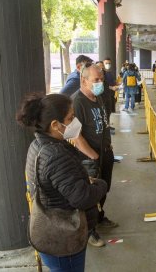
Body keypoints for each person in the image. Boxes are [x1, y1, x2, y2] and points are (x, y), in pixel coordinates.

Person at [17, 93, 107, 271]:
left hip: (48, 232)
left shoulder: (38, 145)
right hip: (63, 239)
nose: (75, 122)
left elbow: (59, 183)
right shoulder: (56, 155)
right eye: (70, 118)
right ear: (55, 125)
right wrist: (100, 185)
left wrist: (79, 179)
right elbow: (82, 198)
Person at [71, 64, 118, 248]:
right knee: (90, 196)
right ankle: (89, 231)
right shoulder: (77, 102)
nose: (100, 83)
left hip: (105, 152)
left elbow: (104, 123)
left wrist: (107, 144)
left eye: (102, 79)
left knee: (103, 188)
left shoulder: (97, 98)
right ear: (84, 80)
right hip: (89, 158)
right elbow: (74, 135)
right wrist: (93, 156)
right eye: (96, 80)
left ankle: (99, 217)